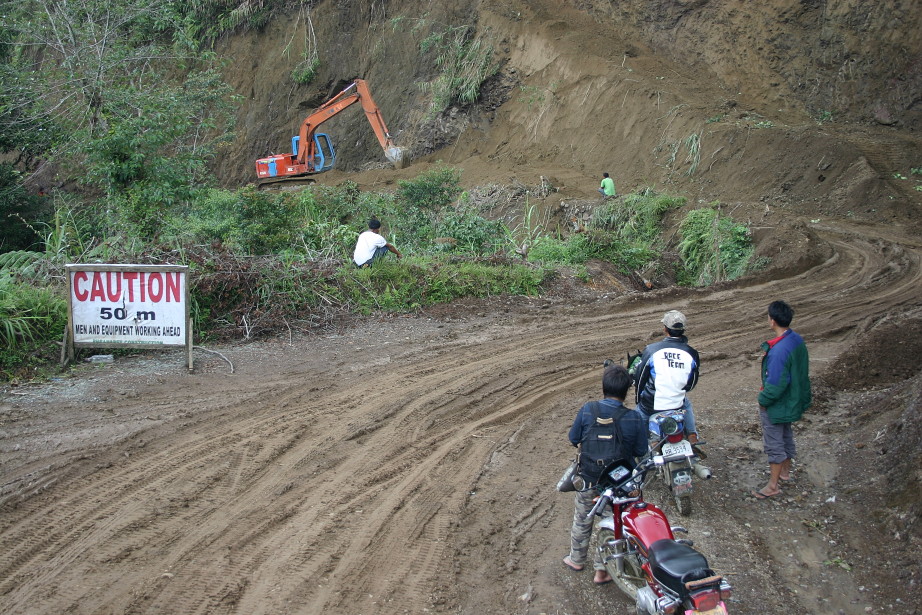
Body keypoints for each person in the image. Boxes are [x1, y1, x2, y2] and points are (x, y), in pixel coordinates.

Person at [563, 365, 647, 585]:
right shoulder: (634, 417)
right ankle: (602, 570)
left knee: (582, 518)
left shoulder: (588, 409)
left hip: (588, 478)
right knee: (613, 522)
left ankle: (576, 559)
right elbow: (640, 451)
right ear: (626, 391)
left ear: (604, 387)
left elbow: (573, 438)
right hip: (618, 482)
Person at [752, 300, 811, 500]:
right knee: (786, 435)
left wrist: (763, 399)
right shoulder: (796, 340)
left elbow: (775, 385)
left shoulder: (778, 351)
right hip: (792, 399)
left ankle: (772, 485)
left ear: (772, 321)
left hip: (779, 403)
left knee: (774, 442)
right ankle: (785, 473)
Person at [633, 310, 701, 444]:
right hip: (677, 404)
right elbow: (691, 383)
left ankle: (643, 442)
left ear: (665, 329)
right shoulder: (692, 353)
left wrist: (638, 398)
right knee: (686, 403)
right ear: (683, 330)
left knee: (640, 413)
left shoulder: (652, 350)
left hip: (651, 404)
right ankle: (692, 435)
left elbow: (640, 379)